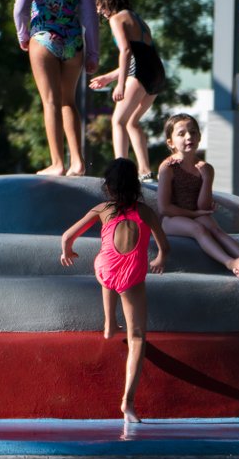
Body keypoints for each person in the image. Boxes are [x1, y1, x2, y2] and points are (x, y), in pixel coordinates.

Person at [60, 159, 170, 423]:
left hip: (106, 270)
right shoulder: (146, 212)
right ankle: (128, 403)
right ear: (136, 186)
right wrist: (160, 260)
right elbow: (164, 246)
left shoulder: (102, 209)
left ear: (108, 187)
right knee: (138, 338)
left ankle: (109, 324)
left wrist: (67, 251)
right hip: (131, 276)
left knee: (107, 267)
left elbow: (66, 237)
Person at [15, 0, 98, 177]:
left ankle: (57, 163)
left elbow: (19, 9)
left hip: (44, 39)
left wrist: (23, 35)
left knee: (50, 101)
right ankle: (78, 162)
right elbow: (91, 19)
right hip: (73, 43)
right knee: (68, 101)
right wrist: (93, 53)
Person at [88, 0, 165, 180]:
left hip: (139, 73)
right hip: (156, 71)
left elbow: (126, 51)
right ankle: (145, 170)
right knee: (132, 122)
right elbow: (141, 55)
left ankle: (120, 170)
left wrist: (120, 85)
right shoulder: (136, 18)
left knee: (118, 121)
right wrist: (109, 78)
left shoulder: (117, 19)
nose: (97, 10)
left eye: (98, 3)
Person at [157, 114, 239, 277]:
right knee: (198, 229)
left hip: (196, 214)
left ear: (199, 137)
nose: (188, 137)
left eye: (193, 132)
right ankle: (230, 263)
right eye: (181, 134)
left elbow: (203, 206)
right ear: (170, 142)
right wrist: (194, 214)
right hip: (171, 220)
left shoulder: (205, 168)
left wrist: (206, 177)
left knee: (216, 230)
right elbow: (164, 208)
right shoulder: (168, 167)